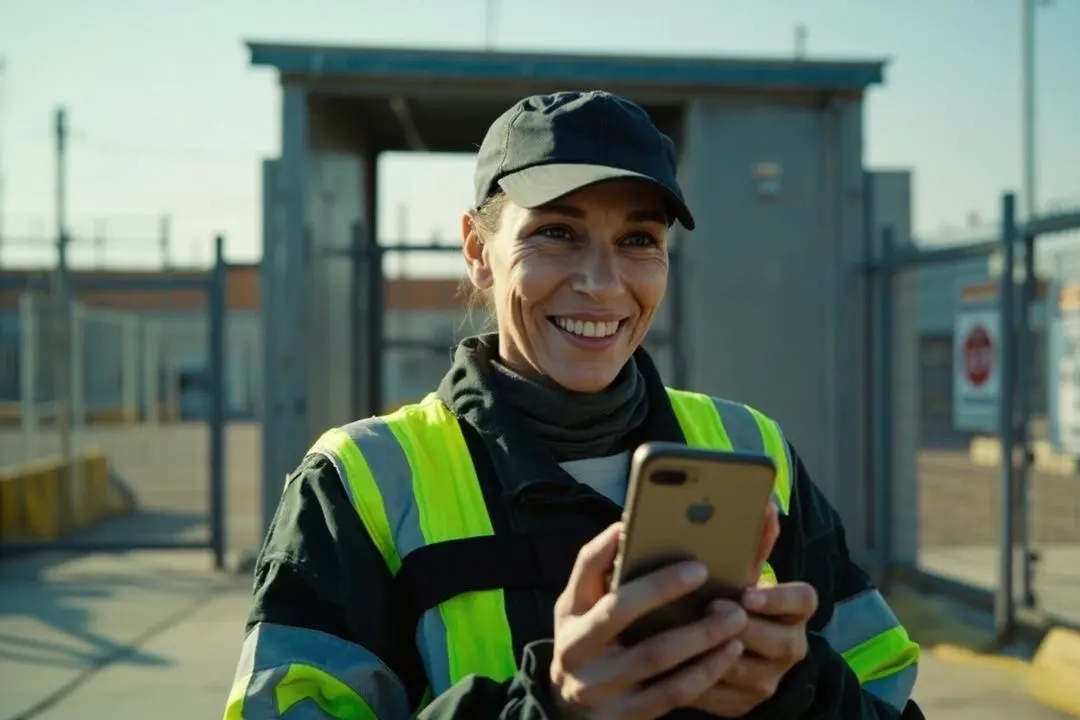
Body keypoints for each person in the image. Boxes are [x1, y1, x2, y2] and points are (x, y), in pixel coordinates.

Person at [225, 90, 924, 720]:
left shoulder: (750, 447)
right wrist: (552, 708)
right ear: (478, 248)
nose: (602, 282)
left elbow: (883, 699)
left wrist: (798, 692)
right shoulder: (360, 482)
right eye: (556, 233)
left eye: (638, 241)